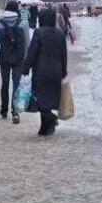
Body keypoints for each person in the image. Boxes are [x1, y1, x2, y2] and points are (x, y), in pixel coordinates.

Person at [23, 8, 68, 136]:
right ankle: (45, 128)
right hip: (56, 72)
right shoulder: (60, 34)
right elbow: (63, 54)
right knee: (48, 100)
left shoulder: (38, 33)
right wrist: (64, 70)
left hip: (41, 72)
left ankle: (51, 119)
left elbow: (32, 52)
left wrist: (26, 68)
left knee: (41, 100)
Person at [0, 0, 30, 123]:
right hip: (19, 60)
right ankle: (14, 111)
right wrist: (28, 61)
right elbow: (27, 44)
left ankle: (3, 110)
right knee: (16, 84)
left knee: (4, 84)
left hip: (4, 59)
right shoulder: (23, 24)